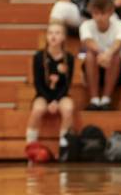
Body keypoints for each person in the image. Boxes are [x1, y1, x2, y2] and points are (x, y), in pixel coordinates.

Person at [25, 22, 75, 155]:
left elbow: (67, 84)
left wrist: (56, 101)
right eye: (50, 33)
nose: (53, 36)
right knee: (37, 109)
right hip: (43, 95)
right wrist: (48, 100)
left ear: (63, 37)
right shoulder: (38, 57)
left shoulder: (69, 58)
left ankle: (64, 147)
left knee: (68, 108)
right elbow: (38, 83)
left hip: (61, 95)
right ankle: (30, 146)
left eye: (57, 33)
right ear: (47, 36)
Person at [79, 0, 121, 111]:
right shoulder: (86, 25)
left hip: (115, 68)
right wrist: (102, 54)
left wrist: (108, 54)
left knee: (115, 56)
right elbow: (88, 41)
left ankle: (106, 98)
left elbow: (119, 42)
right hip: (94, 66)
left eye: (103, 14)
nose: (99, 18)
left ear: (111, 12)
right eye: (96, 14)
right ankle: (94, 99)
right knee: (91, 55)